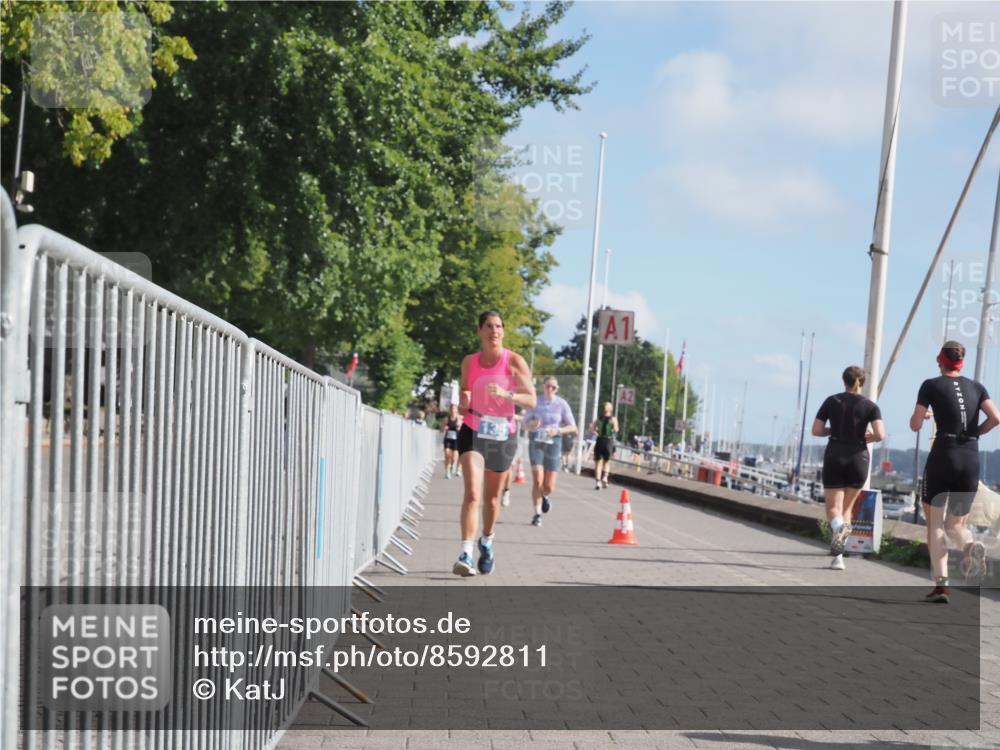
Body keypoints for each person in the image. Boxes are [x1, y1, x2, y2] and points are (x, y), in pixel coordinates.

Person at [909, 341, 999, 602]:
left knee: (935, 526)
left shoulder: (931, 385)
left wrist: (923, 417)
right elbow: (996, 417)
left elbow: (915, 424)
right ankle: (971, 546)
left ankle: (942, 586)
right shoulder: (977, 387)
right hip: (970, 456)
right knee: (957, 524)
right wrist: (975, 432)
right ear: (962, 362)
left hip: (943, 454)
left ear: (940, 360)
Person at [453, 311, 536, 577]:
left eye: (499, 326)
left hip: (502, 434)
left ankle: (486, 541)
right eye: (488, 326)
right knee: (473, 493)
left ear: (503, 331)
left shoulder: (514, 362)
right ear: (479, 331)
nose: (494, 331)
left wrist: (506, 394)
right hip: (473, 429)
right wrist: (465, 400)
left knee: (491, 500)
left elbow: (531, 400)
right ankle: (465, 553)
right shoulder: (469, 362)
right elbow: (465, 388)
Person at [811, 366, 885, 571]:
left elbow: (816, 430)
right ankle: (838, 557)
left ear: (843, 380)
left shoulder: (831, 401)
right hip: (859, 457)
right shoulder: (870, 405)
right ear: (862, 382)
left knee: (833, 509)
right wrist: (869, 436)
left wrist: (831, 430)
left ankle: (838, 548)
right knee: (847, 509)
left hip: (835, 454)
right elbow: (880, 434)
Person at [523, 376, 577, 527]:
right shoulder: (535, 402)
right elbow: (524, 425)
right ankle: (537, 514)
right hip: (536, 441)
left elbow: (572, 426)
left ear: (557, 389)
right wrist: (532, 424)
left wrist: (558, 429)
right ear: (543, 386)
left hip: (554, 442)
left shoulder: (562, 404)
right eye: (548, 386)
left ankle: (545, 496)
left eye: (553, 387)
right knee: (537, 479)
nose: (550, 389)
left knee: (549, 486)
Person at [590, 402, 618, 490]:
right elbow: (616, 429)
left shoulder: (598, 419)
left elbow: (592, 428)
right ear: (611, 409)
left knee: (598, 462)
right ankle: (605, 477)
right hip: (608, 441)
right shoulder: (613, 419)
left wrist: (597, 433)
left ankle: (598, 482)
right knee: (607, 461)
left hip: (600, 440)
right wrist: (612, 429)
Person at [440, 403, 462, 479]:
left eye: (454, 409)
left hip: (456, 440)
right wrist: (444, 428)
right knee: (447, 454)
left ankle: (453, 465)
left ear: (456, 410)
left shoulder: (459, 419)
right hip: (448, 439)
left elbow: (462, 430)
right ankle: (447, 472)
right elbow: (441, 430)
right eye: (451, 409)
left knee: (455, 456)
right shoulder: (446, 419)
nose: (453, 410)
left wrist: (459, 428)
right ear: (450, 410)